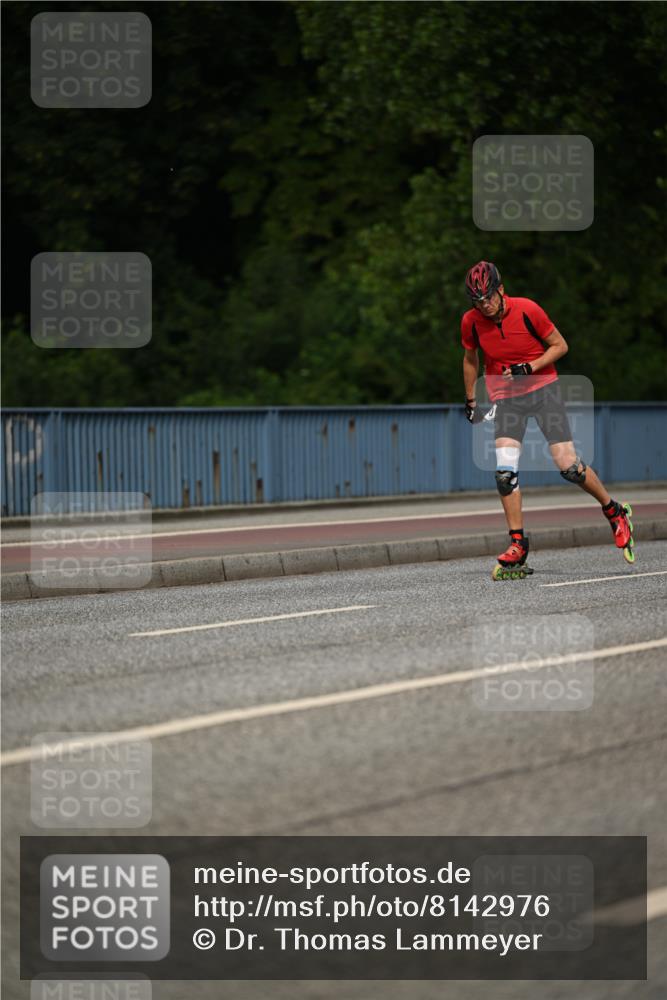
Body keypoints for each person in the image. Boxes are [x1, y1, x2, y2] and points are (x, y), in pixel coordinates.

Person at [460, 260, 634, 574]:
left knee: (568, 466)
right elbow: (470, 358)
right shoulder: (471, 322)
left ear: (501, 289)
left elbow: (560, 345)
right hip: (507, 398)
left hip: (543, 391)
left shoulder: (528, 310)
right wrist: (471, 397)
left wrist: (530, 367)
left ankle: (614, 510)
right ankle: (518, 543)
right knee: (504, 474)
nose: (484, 305)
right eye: (477, 300)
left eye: (488, 297)